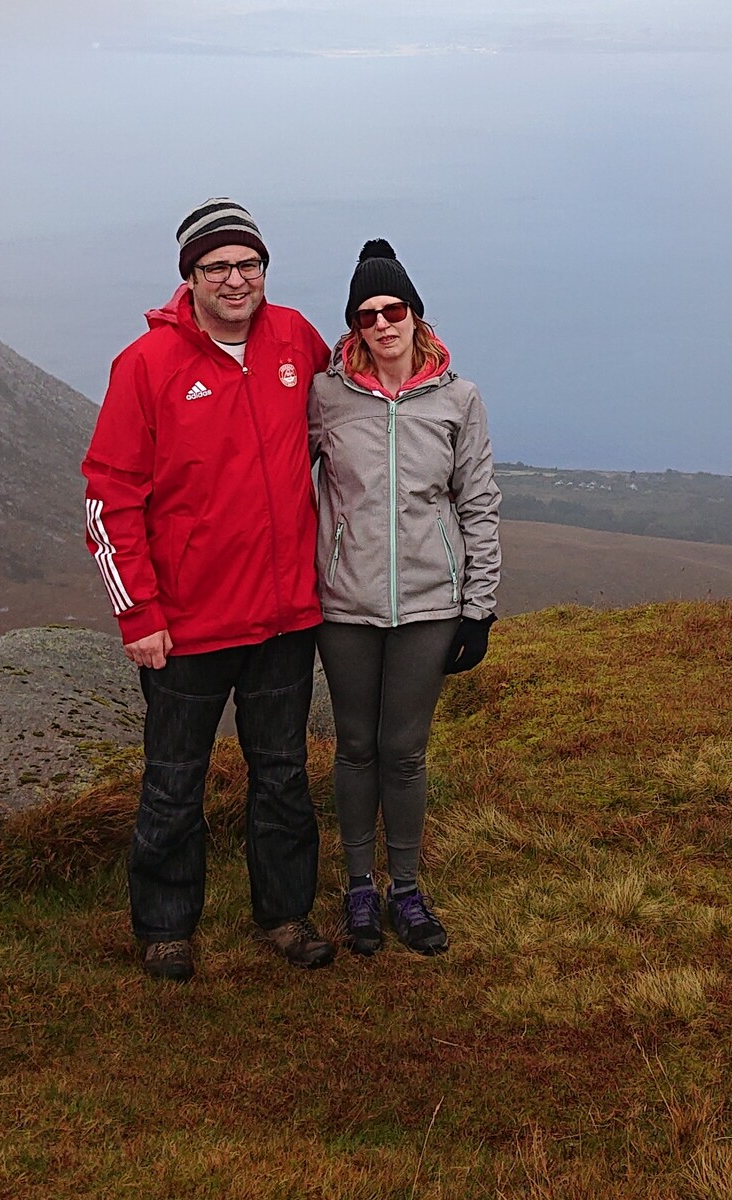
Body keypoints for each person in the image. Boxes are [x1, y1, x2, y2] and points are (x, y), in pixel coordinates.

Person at [82, 199, 335, 981]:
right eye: (218, 267)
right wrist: (140, 616)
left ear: (265, 270)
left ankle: (287, 917)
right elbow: (107, 496)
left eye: (248, 265)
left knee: (284, 773)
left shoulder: (295, 338)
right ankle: (165, 929)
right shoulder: (146, 366)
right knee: (173, 782)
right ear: (189, 277)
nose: (236, 280)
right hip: (186, 628)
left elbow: (359, 399)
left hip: (286, 616)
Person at [308, 239, 501, 956]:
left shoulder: (459, 398)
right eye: (367, 315)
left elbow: (478, 502)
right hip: (345, 606)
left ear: (417, 315)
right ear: (354, 327)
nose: (382, 324)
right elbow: (281, 479)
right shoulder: (327, 396)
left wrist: (479, 606)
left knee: (404, 751)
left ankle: (407, 890)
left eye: (394, 309)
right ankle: (360, 889)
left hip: (429, 604)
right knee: (355, 747)